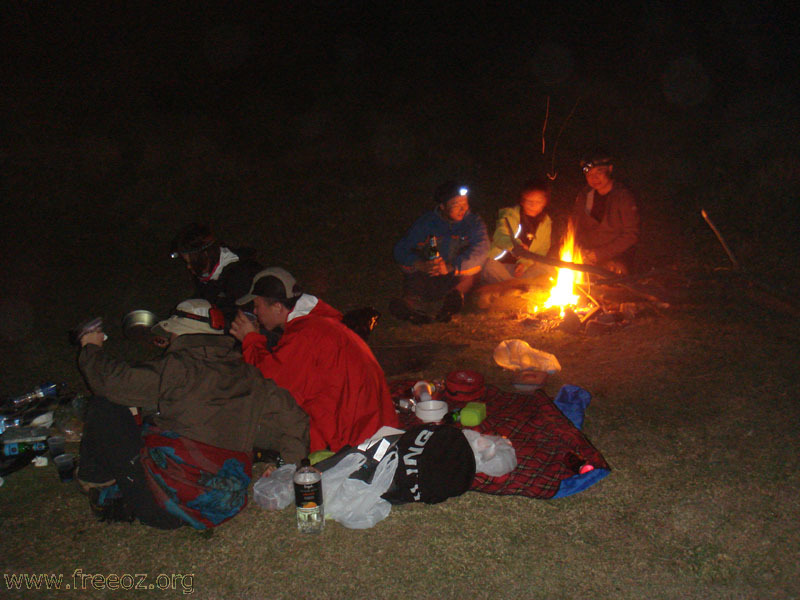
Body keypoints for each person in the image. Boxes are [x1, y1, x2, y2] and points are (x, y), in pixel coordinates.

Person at [76, 299, 310, 530]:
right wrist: (290, 468)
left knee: (105, 404)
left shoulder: (177, 368)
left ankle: (98, 483)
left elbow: (109, 381)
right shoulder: (250, 376)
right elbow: (295, 420)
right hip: (221, 504)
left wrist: (90, 347)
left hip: (164, 506)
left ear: (180, 334)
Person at [229, 268, 400, 454]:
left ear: (278, 307)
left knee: (252, 422)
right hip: (372, 425)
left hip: (356, 440)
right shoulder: (318, 322)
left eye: (257, 305)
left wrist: (251, 339)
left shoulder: (306, 335)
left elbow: (269, 386)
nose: (255, 311)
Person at [390, 181, 490, 323]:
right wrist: (421, 264)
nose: (463, 209)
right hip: (430, 273)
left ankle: (451, 303)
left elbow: (481, 249)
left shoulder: (473, 223)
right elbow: (401, 249)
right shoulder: (427, 222)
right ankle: (410, 306)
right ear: (442, 207)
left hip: (454, 275)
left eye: (465, 204)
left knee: (473, 270)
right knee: (408, 264)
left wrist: (451, 266)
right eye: (456, 205)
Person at [170, 223, 263, 322]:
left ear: (205, 255)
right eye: (186, 262)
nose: (188, 267)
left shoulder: (242, 274)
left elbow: (244, 317)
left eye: (192, 262)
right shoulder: (206, 274)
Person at [571, 151, 640, 274]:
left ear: (610, 169)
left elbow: (631, 235)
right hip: (587, 253)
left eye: (599, 172)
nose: (594, 178)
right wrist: (580, 250)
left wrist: (599, 254)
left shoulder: (623, 196)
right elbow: (575, 226)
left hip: (615, 256)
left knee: (611, 274)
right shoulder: (584, 195)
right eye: (589, 174)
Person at [482, 177, 553, 283]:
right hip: (501, 266)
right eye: (529, 201)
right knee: (488, 266)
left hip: (523, 270)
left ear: (545, 202)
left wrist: (523, 264)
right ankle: (517, 287)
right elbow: (499, 236)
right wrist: (516, 246)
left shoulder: (545, 222)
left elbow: (541, 251)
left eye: (539, 201)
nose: (534, 205)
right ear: (522, 201)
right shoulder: (510, 215)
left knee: (549, 269)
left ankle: (512, 287)